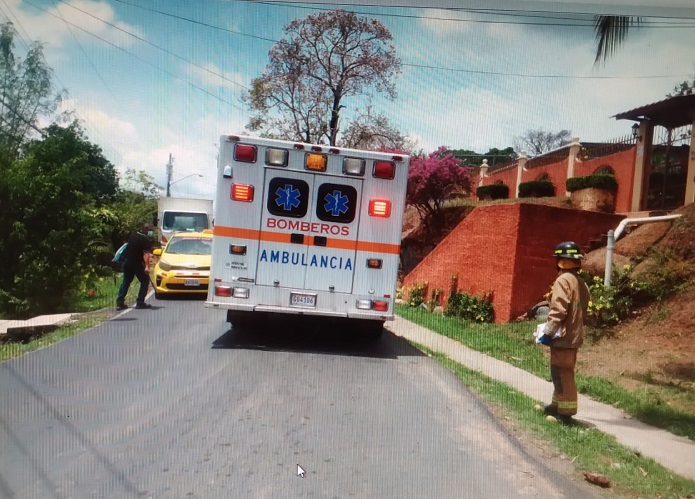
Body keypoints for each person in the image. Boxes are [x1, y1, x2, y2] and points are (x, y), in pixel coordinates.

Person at [537, 241, 591, 425]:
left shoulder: (563, 280)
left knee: (562, 372)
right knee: (559, 370)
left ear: (560, 260)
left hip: (564, 336)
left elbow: (559, 309)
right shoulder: (580, 282)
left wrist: (548, 331)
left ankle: (565, 414)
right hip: (574, 335)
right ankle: (556, 405)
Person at [116, 223, 155, 310]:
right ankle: (140, 302)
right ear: (147, 230)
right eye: (151, 230)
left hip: (127, 263)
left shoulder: (133, 236)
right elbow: (146, 255)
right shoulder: (145, 240)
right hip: (137, 264)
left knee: (126, 282)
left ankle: (120, 302)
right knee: (145, 281)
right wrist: (147, 267)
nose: (151, 232)